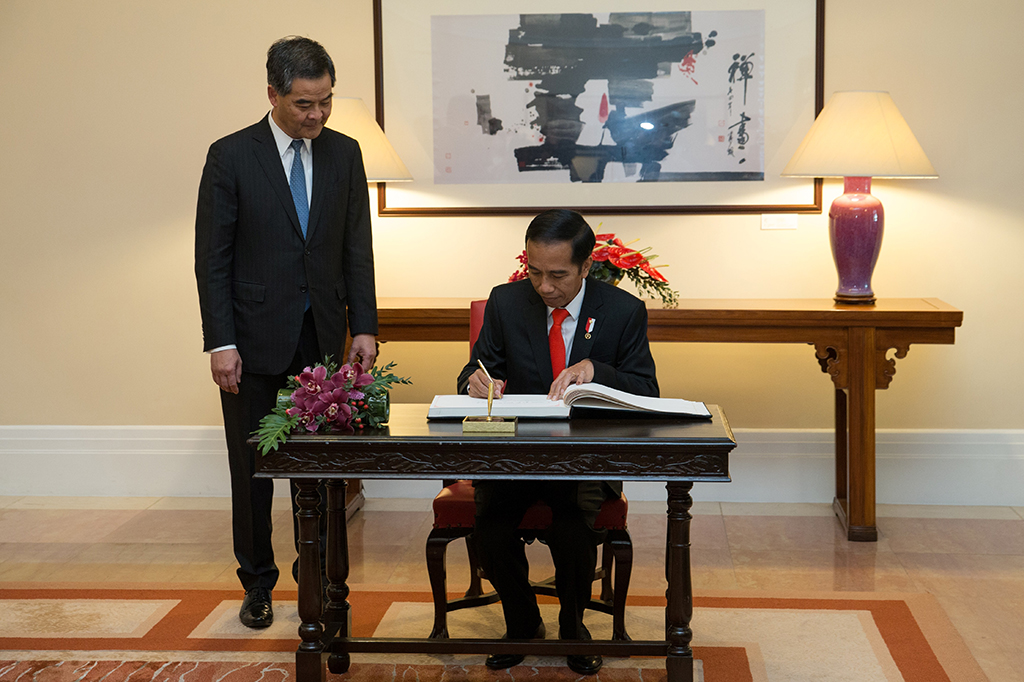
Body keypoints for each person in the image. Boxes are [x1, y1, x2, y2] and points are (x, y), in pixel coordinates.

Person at [195, 36, 378, 629]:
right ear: (272, 93)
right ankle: (257, 582)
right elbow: (212, 259)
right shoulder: (230, 156)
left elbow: (358, 249)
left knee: (319, 466)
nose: (318, 115)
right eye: (305, 103)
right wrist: (220, 342)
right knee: (251, 470)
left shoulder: (345, 154)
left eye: (326, 102)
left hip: (321, 336)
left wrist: (365, 328)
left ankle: (317, 572)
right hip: (249, 340)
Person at [456, 209, 658, 675]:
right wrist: (477, 381)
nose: (545, 286)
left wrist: (597, 372)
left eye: (558, 275)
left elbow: (646, 389)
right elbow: (476, 369)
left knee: (573, 524)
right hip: (516, 453)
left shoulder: (621, 310)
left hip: (584, 457)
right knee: (490, 523)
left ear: (587, 267)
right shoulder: (506, 303)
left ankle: (572, 624)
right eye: (534, 271)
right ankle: (522, 621)